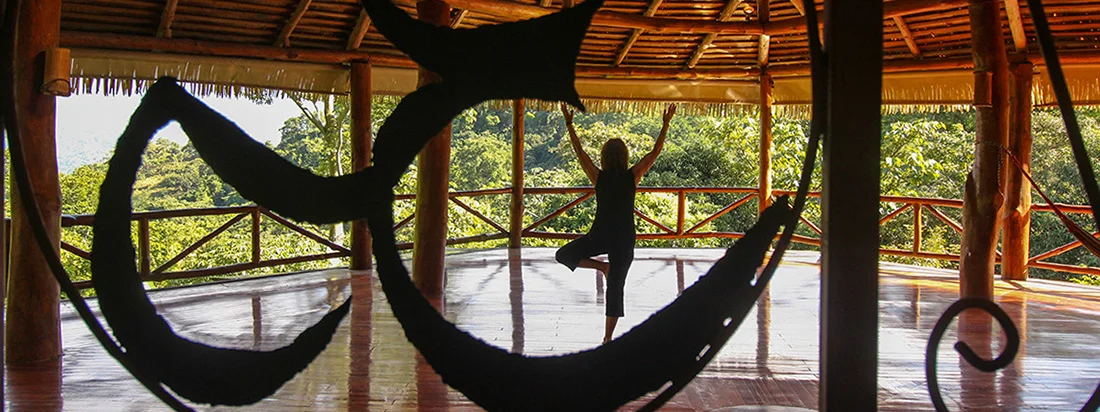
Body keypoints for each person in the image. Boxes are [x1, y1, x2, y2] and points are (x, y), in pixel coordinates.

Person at [555, 102, 676, 344]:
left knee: (563, 255)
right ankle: (608, 338)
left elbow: (580, 153)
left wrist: (569, 124)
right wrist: (665, 124)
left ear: (604, 157)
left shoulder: (598, 176)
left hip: (600, 235)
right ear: (625, 157)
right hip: (624, 238)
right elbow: (654, 152)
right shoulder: (633, 176)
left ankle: (602, 269)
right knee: (615, 289)